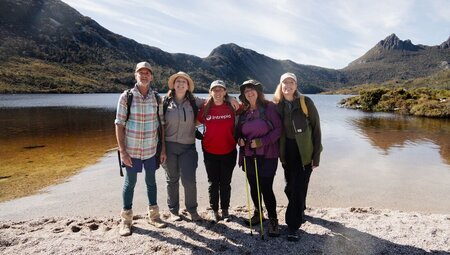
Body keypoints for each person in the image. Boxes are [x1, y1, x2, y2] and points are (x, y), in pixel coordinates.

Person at [115, 61, 167, 236]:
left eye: (147, 73)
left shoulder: (157, 98)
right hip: (132, 151)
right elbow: (119, 125)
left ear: (151, 76)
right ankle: (126, 220)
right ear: (135, 75)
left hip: (151, 149)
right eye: (140, 73)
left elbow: (161, 126)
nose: (144, 75)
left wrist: (163, 149)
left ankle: (154, 216)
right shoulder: (126, 97)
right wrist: (122, 151)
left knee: (151, 182)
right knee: (130, 183)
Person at [273, 72, 322, 242]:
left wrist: (316, 156)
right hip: (287, 152)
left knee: (299, 189)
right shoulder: (276, 105)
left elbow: (316, 130)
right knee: (290, 188)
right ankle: (300, 208)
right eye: (285, 82)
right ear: (280, 85)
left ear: (296, 85)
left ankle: (293, 226)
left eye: (291, 82)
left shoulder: (305, 102)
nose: (288, 85)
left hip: (305, 152)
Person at [236, 80, 282, 237]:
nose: (249, 93)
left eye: (252, 89)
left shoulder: (270, 107)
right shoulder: (244, 113)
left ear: (258, 91)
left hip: (268, 155)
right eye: (246, 91)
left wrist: (262, 141)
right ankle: (258, 213)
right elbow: (240, 133)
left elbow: (278, 130)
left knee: (266, 187)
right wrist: (239, 140)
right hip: (249, 155)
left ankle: (274, 219)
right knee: (254, 187)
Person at [162, 71, 203, 222]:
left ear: (188, 86)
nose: (180, 84)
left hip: (188, 147)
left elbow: (214, 99)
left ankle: (192, 210)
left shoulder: (194, 101)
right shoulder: (164, 101)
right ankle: (173, 211)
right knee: (172, 179)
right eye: (178, 81)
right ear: (173, 84)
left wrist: (230, 97)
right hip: (169, 146)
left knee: (189, 180)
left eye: (183, 82)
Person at [197, 80, 237, 223]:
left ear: (225, 92)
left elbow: (247, 110)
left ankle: (225, 210)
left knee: (226, 183)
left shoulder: (232, 106)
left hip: (229, 150)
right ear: (210, 92)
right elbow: (193, 121)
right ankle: (214, 211)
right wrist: (196, 132)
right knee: (213, 183)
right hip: (209, 151)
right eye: (215, 89)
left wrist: (233, 98)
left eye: (221, 89)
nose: (218, 92)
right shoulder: (205, 108)